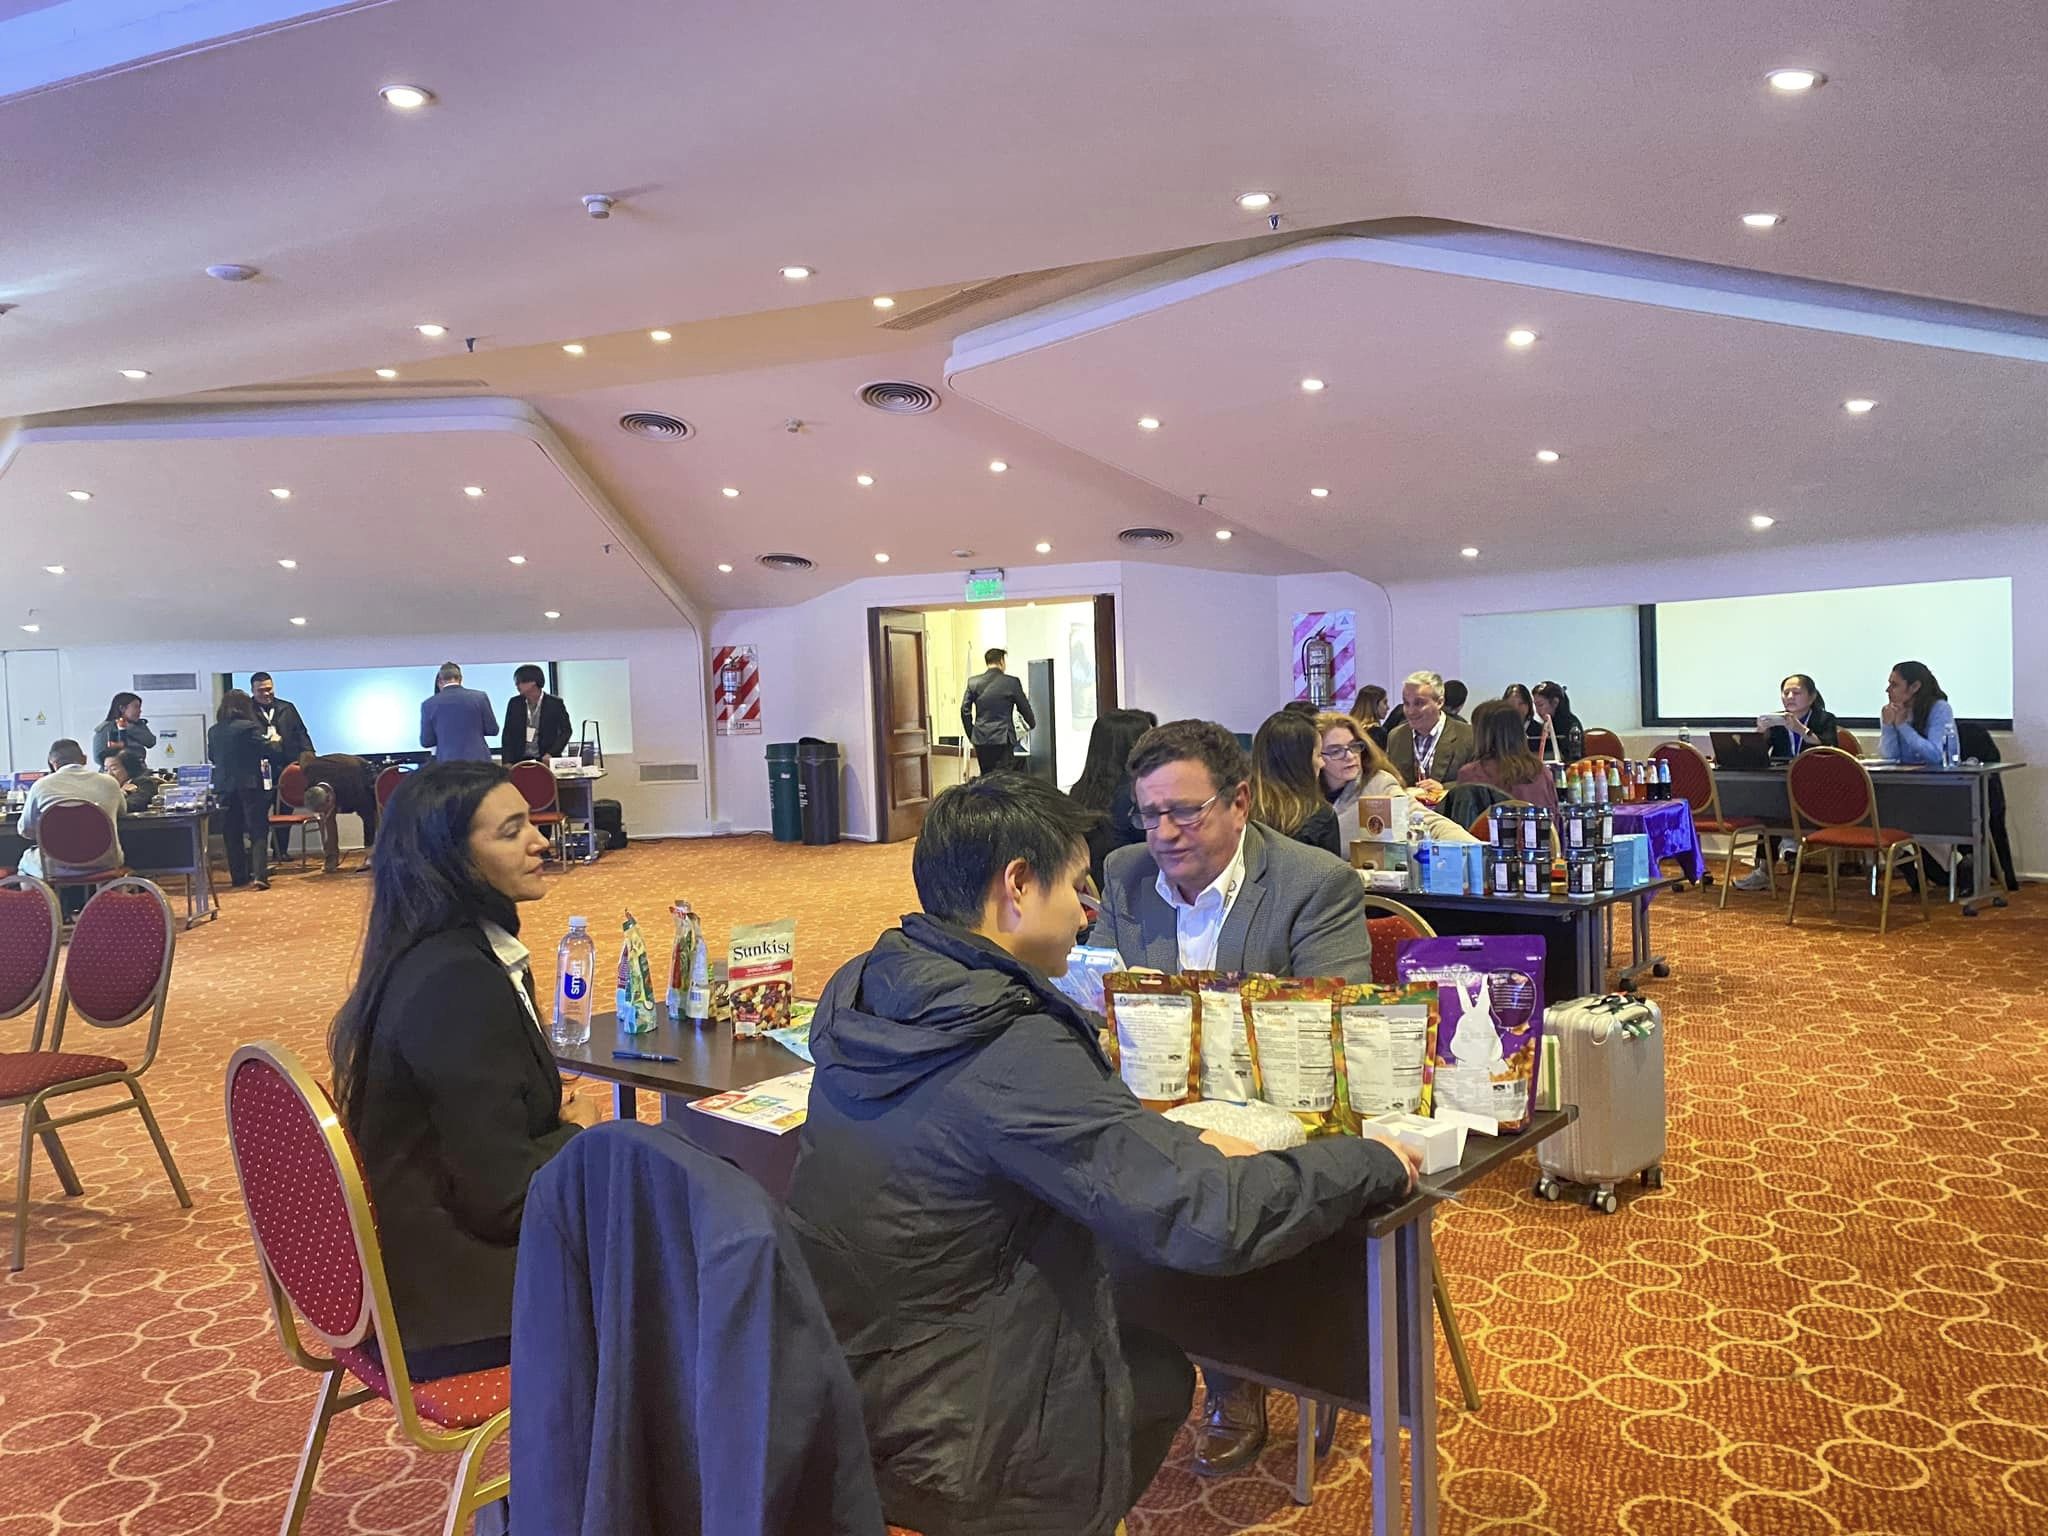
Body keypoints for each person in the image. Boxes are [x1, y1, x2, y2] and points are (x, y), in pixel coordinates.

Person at [786, 772, 1416, 1535]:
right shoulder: (1007, 1042)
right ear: (1019, 885)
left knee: (1139, 1341)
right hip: (961, 1434)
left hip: (851, 1372)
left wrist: (1168, 1142)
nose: (1088, 911)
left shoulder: (870, 988)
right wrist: (1371, 1159)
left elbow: (1003, 1133)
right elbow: (1204, 1216)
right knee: (1155, 1373)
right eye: (1075, 886)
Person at [1089, 718, 1381, 1474]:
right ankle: (1111, 1351)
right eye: (1150, 814)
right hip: (1152, 1100)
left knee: (1211, 1178)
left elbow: (1333, 1029)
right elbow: (1104, 1000)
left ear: (1240, 801)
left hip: (1273, 1105)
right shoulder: (1123, 873)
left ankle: (1233, 1374)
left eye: (1185, 812)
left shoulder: (1313, 883)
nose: (1165, 833)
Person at [327, 761, 597, 1381]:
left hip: (426, 1275)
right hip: (462, 1303)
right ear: (451, 859)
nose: (540, 842)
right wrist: (579, 1133)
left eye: (530, 823)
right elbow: (505, 1199)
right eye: (510, 832)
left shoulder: (428, 952)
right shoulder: (457, 981)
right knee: (698, 1266)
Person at [17, 740, 125, 896]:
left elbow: (26, 830)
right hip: (105, 862)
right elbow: (121, 813)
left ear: (53, 763)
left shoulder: (41, 786)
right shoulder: (110, 782)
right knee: (112, 862)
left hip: (56, 866)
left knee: (25, 866)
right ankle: (109, 906)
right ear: (84, 759)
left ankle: (42, 909)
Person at [1068, 706, 1158, 890]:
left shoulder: (1080, 791)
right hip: (1133, 891)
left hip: (1103, 890)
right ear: (1134, 748)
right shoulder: (1132, 797)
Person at [208, 689, 285, 890]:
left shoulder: (214, 731)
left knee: (231, 832)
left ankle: (238, 877)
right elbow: (269, 751)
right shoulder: (249, 728)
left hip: (224, 787)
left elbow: (213, 757)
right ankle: (260, 875)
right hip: (250, 785)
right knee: (257, 829)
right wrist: (275, 741)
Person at [1249, 708, 1341, 856]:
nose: (1322, 763)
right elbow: (1332, 870)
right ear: (1300, 762)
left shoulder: (1237, 808)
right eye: (1318, 755)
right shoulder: (1320, 815)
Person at [1458, 699, 1561, 818]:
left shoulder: (1470, 774)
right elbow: (1555, 820)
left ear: (1481, 734)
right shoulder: (1542, 771)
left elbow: (1463, 823)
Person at [251, 673, 315, 860]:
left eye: (269, 689)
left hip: (286, 767)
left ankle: (281, 851)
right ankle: (259, 856)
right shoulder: (247, 710)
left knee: (285, 810)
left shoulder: (287, 708)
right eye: (261, 690)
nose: (266, 693)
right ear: (253, 691)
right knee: (259, 812)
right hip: (260, 769)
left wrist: (308, 757)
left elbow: (301, 734)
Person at [1316, 711, 1402, 845]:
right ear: (1316, 757)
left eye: (1353, 746)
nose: (1350, 756)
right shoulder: (1305, 795)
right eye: (1336, 751)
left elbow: (1424, 820)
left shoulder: (1379, 784)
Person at [1385, 670, 1475, 795]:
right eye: (1406, 703)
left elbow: (1478, 782)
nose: (1410, 711)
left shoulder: (1468, 736)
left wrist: (1444, 788)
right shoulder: (1396, 737)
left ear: (1439, 702)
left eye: (1419, 703)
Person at [298, 750, 381, 872]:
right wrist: (326, 813)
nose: (325, 812)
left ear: (330, 798)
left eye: (325, 808)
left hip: (361, 771)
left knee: (372, 815)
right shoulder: (310, 772)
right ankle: (331, 857)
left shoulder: (354, 789)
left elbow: (369, 819)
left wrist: (369, 850)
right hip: (340, 772)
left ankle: (372, 856)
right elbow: (305, 756)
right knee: (328, 818)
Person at [960, 647, 1036, 776]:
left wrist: (972, 733)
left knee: (986, 775)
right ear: (1001, 661)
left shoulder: (973, 682)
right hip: (1003, 738)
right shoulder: (1011, 682)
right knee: (1003, 777)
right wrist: (1032, 723)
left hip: (981, 739)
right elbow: (1024, 707)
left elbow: (964, 709)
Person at [419, 662, 500, 763]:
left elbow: (426, 741)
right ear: (460, 679)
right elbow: (493, 730)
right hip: (479, 762)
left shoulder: (428, 704)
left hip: (447, 763)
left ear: (440, 680)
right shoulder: (480, 697)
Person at [1880, 660, 1955, 766]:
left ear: (1915, 687)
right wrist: (1888, 726)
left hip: (1937, 775)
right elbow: (1890, 757)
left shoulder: (1940, 709)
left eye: (1894, 685)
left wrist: (1902, 726)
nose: (1887, 690)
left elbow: (1937, 757)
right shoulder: (1892, 710)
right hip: (1903, 775)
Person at [501, 664, 572, 765]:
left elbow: (566, 731)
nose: (517, 686)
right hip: (519, 760)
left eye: (519, 682)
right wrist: (507, 761)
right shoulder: (514, 703)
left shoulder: (555, 703)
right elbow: (507, 734)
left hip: (545, 759)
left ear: (533, 682)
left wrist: (551, 753)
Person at [1755, 674, 1839, 759]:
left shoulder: (1825, 718)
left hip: (1814, 765)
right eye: (1786, 693)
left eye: (1796, 693)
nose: (1790, 697)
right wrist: (1760, 733)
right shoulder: (1777, 720)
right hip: (1781, 767)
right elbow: (1756, 756)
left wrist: (1801, 729)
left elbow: (1829, 749)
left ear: (1812, 697)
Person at [91, 693, 155, 766]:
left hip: (138, 768)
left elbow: (151, 742)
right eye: (136, 707)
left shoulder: (138, 725)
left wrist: (130, 728)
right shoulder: (106, 728)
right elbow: (98, 757)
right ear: (122, 708)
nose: (140, 711)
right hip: (114, 769)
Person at [1530, 680, 1586, 764]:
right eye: (1535, 705)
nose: (1537, 711)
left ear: (1555, 702)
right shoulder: (1544, 726)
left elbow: (1570, 758)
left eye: (1540, 705)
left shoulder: (1571, 725)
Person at [102, 747, 159, 813]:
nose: (109, 774)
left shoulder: (145, 783)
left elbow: (130, 806)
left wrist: (120, 794)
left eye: (114, 769)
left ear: (129, 768)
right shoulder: (107, 787)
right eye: (106, 769)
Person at [1503, 683, 1543, 754]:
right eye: (1511, 704)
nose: (1516, 708)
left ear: (1529, 705)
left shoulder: (1541, 731)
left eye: (1521, 703)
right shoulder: (1497, 731)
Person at [1351, 684, 1391, 748]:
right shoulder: (1377, 733)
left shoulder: (1349, 728)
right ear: (1374, 704)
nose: (1388, 707)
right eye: (1385, 702)